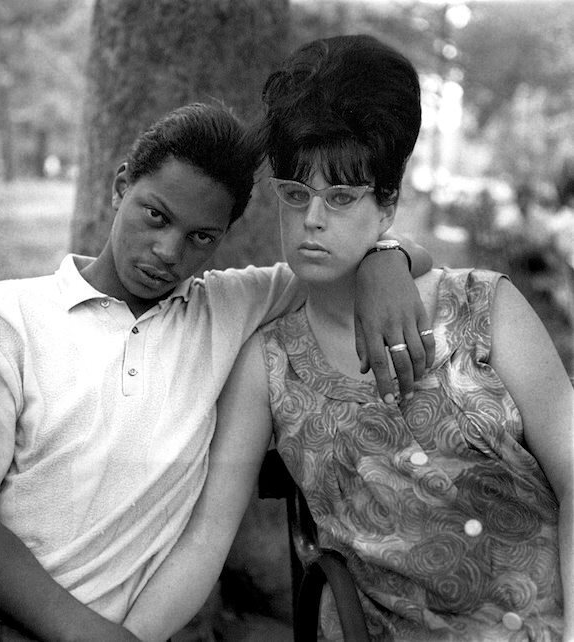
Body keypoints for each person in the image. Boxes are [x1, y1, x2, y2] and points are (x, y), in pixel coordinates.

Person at [0, 102, 433, 641]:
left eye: (201, 238)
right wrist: (86, 635)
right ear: (122, 185)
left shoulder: (228, 308)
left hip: (109, 625)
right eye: (156, 216)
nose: (167, 252)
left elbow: (359, 259)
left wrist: (387, 257)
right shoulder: (4, 316)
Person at [172, 36, 571, 641]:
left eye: (340, 197)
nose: (312, 219)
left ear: (387, 204)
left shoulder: (486, 307)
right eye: (295, 195)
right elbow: (206, 536)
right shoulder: (270, 363)